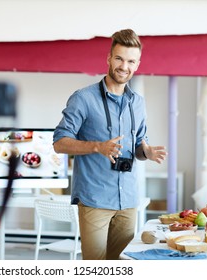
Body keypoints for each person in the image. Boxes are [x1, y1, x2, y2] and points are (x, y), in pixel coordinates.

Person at [53, 29, 167, 260]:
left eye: (131, 61)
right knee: (96, 267)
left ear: (137, 65)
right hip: (95, 199)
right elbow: (59, 142)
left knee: (122, 265)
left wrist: (146, 151)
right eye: (119, 58)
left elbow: (138, 145)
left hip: (128, 202)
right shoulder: (83, 98)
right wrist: (97, 147)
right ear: (109, 58)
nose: (124, 66)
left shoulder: (138, 103)